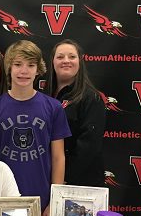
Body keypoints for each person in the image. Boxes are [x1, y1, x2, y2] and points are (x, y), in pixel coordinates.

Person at [0, 40, 71, 216]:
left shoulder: (53, 107)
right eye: (18, 64)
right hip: (1, 198)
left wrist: (54, 202)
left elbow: (58, 156)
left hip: (40, 198)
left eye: (30, 65)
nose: (24, 71)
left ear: (38, 70)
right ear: (9, 67)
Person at [45, 39, 106, 187]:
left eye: (72, 56)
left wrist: (64, 176)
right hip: (48, 178)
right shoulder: (44, 96)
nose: (66, 61)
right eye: (60, 57)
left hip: (79, 182)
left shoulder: (91, 98)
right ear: (52, 62)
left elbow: (89, 146)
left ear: (80, 61)